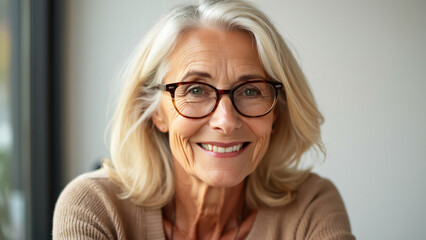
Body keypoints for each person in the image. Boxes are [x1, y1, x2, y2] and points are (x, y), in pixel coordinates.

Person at [53, 0, 355, 239]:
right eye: (195, 89)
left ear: (276, 111)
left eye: (250, 90)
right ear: (157, 112)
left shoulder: (311, 206)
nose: (225, 121)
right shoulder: (94, 206)